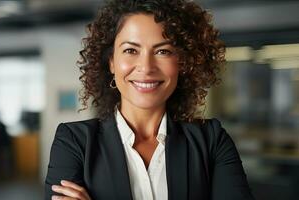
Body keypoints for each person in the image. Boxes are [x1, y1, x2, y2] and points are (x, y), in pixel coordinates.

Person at [45, 0, 255, 200]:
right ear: (111, 62)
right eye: (130, 50)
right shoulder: (74, 141)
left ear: (182, 63)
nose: (146, 67)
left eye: (162, 51)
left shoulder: (211, 141)